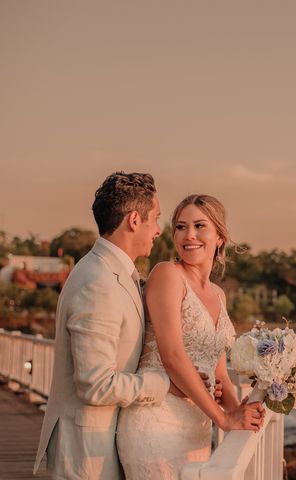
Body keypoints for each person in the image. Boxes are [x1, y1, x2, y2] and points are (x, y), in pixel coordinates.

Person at [34, 172, 176, 478]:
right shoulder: (97, 282)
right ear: (135, 221)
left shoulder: (111, 271)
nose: (158, 230)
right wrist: (164, 383)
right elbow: (96, 384)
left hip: (105, 444)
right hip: (87, 454)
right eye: (156, 218)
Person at [116, 194, 265, 479]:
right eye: (181, 227)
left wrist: (239, 411)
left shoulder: (219, 295)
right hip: (155, 423)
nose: (189, 236)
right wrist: (222, 418)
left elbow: (218, 371)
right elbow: (172, 356)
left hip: (197, 426)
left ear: (219, 236)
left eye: (199, 226)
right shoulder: (167, 274)